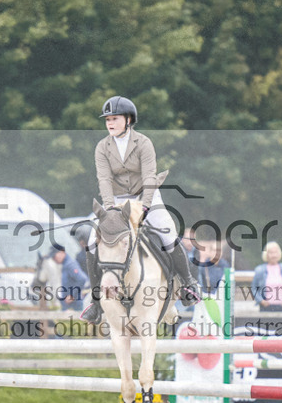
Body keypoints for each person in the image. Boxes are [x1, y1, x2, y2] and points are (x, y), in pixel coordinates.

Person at [80, 96, 200, 323]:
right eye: (107, 120)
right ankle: (96, 303)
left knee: (167, 232)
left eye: (115, 119)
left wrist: (144, 206)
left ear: (128, 120)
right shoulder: (102, 147)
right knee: (92, 242)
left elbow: (149, 177)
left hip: (146, 195)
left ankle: (188, 284)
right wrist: (109, 209)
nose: (110, 123)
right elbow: (104, 179)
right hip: (116, 200)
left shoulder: (144, 143)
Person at [251, 241, 282, 311]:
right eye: (271, 253)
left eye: (276, 252)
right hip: (266, 307)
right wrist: (261, 301)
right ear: (266, 254)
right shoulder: (259, 270)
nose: (274, 255)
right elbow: (254, 288)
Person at [52, 243, 88, 311]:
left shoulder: (70, 265)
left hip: (75, 306)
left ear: (62, 253)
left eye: (54, 256)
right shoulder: (65, 265)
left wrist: (72, 295)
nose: (54, 259)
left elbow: (82, 279)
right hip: (69, 306)